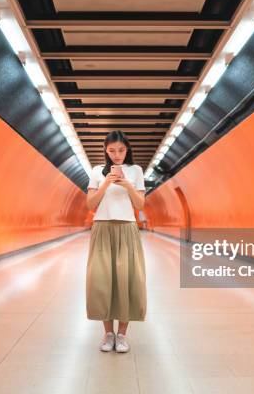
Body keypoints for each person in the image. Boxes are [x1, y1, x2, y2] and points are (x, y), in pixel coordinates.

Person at [85, 130, 147, 353]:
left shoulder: (136, 171)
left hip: (127, 228)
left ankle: (122, 335)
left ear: (127, 148)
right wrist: (105, 184)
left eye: (121, 150)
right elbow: (90, 204)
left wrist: (127, 184)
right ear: (106, 150)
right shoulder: (96, 171)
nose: (117, 155)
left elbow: (140, 205)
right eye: (111, 150)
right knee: (102, 280)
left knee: (126, 280)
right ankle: (107, 333)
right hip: (102, 228)